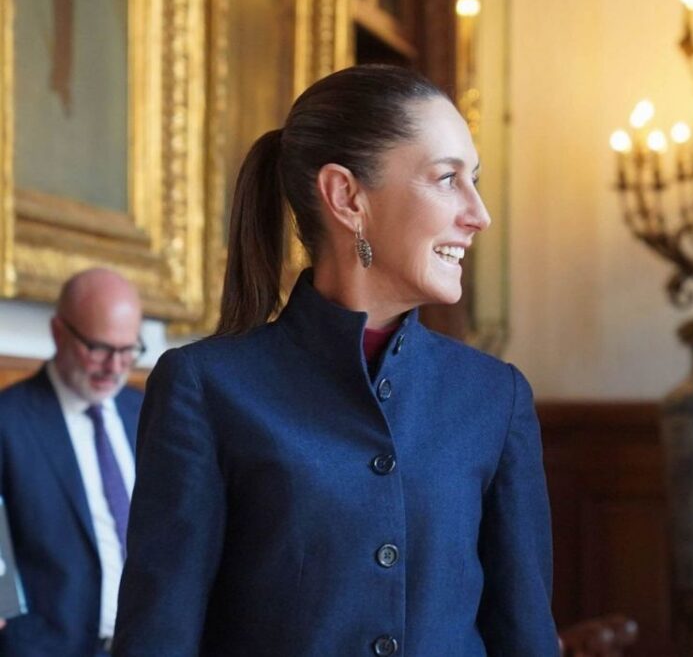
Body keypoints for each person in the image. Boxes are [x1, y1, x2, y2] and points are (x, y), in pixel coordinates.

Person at [113, 65, 558, 656]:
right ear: (348, 196)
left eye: (472, 180)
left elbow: (524, 636)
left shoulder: (494, 396)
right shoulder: (206, 387)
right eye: (447, 179)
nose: (478, 213)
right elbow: (157, 642)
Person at [0, 268, 144, 656]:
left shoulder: (146, 411)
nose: (115, 366)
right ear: (58, 332)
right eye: (99, 348)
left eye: (129, 350)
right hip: (49, 646)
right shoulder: (8, 420)